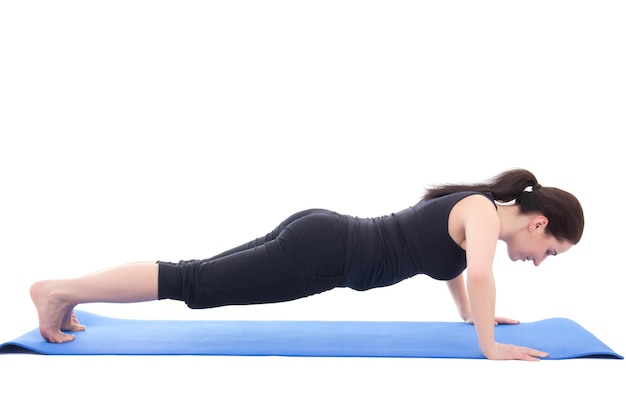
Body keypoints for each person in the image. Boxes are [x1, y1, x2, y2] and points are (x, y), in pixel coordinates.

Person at [29, 168, 584, 361]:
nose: (539, 262)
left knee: (193, 273)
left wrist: (471, 320)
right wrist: (490, 347)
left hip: (322, 237)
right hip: (322, 253)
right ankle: (58, 291)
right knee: (192, 281)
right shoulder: (484, 212)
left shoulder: (476, 214)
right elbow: (482, 271)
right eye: (550, 252)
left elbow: (454, 269)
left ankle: (69, 294)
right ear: (538, 223)